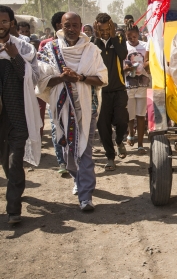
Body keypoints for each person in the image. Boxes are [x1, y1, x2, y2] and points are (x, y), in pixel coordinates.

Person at [37, 12, 107, 211]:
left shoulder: (91, 50)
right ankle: (78, 179)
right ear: (61, 26)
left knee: (84, 150)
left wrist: (79, 78)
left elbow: (101, 79)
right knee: (69, 152)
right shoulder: (50, 50)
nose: (71, 29)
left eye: (75, 25)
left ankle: (86, 197)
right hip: (61, 109)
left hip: (88, 108)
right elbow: (42, 81)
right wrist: (62, 78)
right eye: (67, 25)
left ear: (81, 26)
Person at [0, 6, 42, 225]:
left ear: (12, 24)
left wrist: (15, 58)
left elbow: (33, 79)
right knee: (6, 163)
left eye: (4, 21)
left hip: (17, 114)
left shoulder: (23, 48)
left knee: (15, 162)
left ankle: (13, 209)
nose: (1, 25)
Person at [94, 13, 128, 171]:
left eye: (108, 29)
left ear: (112, 27)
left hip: (119, 89)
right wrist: (96, 38)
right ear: (97, 29)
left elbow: (123, 55)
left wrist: (114, 37)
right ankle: (110, 157)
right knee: (103, 125)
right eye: (102, 30)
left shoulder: (119, 39)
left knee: (122, 120)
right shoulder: (92, 43)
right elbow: (91, 58)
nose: (105, 33)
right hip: (101, 92)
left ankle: (120, 140)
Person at [39, 11, 68, 176]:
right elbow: (42, 71)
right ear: (59, 26)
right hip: (54, 94)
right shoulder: (47, 46)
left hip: (75, 96)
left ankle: (72, 160)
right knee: (57, 128)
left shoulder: (78, 45)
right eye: (66, 24)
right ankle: (61, 161)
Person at [124, 25, 150, 153]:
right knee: (130, 114)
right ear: (125, 35)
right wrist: (128, 68)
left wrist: (144, 65)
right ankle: (130, 133)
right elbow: (120, 66)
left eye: (134, 36)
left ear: (138, 35)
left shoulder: (145, 46)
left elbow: (150, 61)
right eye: (129, 37)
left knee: (141, 115)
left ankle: (140, 144)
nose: (132, 39)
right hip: (129, 85)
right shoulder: (124, 47)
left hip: (143, 85)